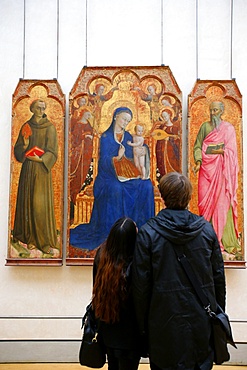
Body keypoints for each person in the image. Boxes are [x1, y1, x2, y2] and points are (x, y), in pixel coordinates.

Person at [132, 172, 226, 370]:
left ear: (163, 196)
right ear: (189, 196)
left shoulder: (148, 233)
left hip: (163, 323)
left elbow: (140, 287)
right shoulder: (206, 230)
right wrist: (217, 315)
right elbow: (218, 279)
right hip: (201, 322)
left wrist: (142, 328)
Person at [70, 107, 155, 251]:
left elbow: (135, 155)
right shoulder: (106, 137)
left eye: (128, 121)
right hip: (107, 176)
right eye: (123, 119)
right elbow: (103, 162)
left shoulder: (128, 137)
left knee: (146, 185)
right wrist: (117, 158)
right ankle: (114, 232)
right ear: (115, 117)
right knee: (115, 188)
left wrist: (143, 150)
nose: (125, 123)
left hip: (126, 174)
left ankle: (142, 231)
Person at [92, 217, 141, 370]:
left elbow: (95, 286)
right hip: (130, 333)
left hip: (107, 325)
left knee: (112, 366)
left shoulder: (102, 255)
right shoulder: (135, 262)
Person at [193, 100, 241, 255]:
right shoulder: (205, 127)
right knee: (204, 204)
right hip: (206, 171)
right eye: (211, 110)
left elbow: (231, 151)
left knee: (221, 204)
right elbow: (198, 146)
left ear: (222, 111)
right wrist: (199, 160)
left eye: (215, 110)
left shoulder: (229, 128)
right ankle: (204, 242)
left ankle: (222, 241)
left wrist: (217, 150)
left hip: (222, 172)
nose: (213, 113)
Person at [12, 99, 58, 256]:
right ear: (32, 109)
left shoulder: (50, 128)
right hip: (28, 169)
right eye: (37, 107)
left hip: (42, 171)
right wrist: (24, 145)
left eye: (43, 108)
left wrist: (40, 159)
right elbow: (18, 151)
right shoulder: (27, 125)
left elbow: (53, 152)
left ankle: (42, 240)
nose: (40, 110)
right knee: (28, 201)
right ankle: (28, 238)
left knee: (39, 204)